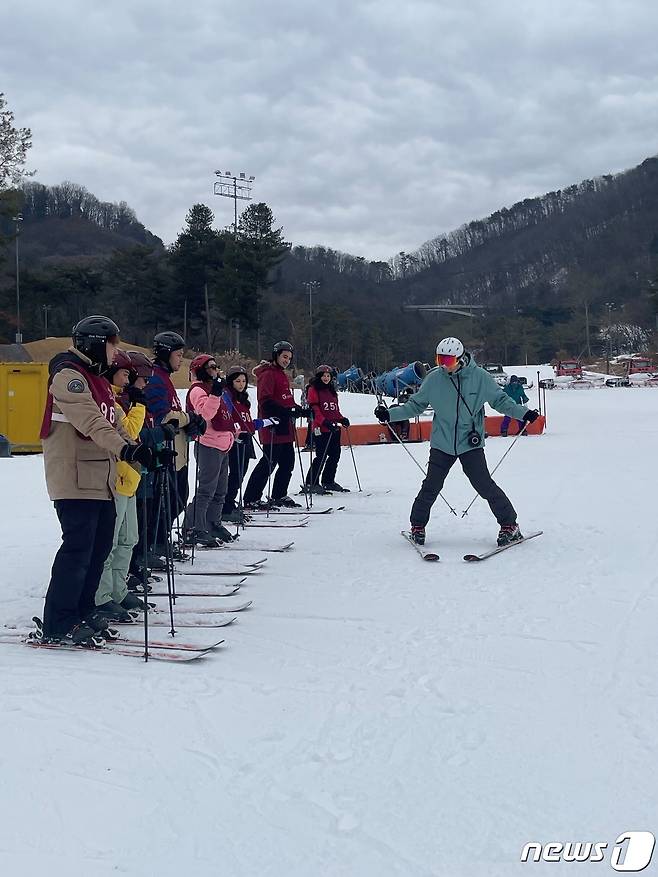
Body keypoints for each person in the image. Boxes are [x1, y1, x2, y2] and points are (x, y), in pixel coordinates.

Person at [39, 316, 152, 645]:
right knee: (77, 550)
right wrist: (124, 450)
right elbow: (89, 420)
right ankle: (59, 621)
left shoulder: (98, 379)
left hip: (100, 480)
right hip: (74, 477)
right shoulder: (68, 375)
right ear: (93, 343)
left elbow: (114, 421)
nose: (116, 352)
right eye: (112, 344)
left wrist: (139, 450)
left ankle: (84, 609)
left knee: (100, 548)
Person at [375, 337, 539, 547]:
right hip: (442, 442)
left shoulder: (479, 377)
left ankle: (509, 524)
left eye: (448, 360)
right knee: (431, 485)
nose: (444, 365)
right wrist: (389, 414)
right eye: (439, 359)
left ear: (460, 359)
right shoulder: (434, 379)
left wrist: (523, 413)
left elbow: (501, 401)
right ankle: (417, 525)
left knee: (483, 484)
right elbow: (414, 406)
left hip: (470, 442)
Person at [93, 349, 171, 621]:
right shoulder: (113, 400)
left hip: (131, 479)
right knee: (111, 542)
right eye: (135, 377)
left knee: (128, 540)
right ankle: (102, 595)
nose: (142, 384)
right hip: (116, 479)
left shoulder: (125, 398)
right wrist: (138, 405)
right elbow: (130, 432)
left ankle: (118, 590)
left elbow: (137, 438)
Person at [144, 331, 204, 559]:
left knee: (178, 497)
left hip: (178, 451)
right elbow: (162, 416)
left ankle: (160, 540)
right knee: (167, 501)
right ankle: (155, 543)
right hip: (165, 451)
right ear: (166, 354)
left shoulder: (165, 378)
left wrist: (189, 424)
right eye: (178, 354)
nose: (181, 359)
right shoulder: (155, 378)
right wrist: (189, 418)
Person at [242, 341, 312, 509]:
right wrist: (287, 412)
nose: (287, 360)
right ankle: (251, 497)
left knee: (288, 463)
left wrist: (300, 410)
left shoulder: (282, 374)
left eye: (289, 358)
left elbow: (286, 400)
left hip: (285, 426)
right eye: (284, 357)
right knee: (268, 463)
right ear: (276, 355)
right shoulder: (268, 374)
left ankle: (279, 494)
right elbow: (265, 402)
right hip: (272, 426)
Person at [183, 355, 238, 546]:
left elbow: (222, 415)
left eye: (216, 367)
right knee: (206, 489)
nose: (215, 370)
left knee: (220, 490)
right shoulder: (198, 390)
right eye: (211, 367)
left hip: (222, 444)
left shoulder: (213, 389)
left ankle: (212, 522)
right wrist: (215, 394)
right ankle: (193, 527)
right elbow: (204, 415)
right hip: (208, 444)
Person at [221, 365, 278, 522]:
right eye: (237, 381)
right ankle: (225, 506)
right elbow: (227, 421)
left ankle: (230, 503)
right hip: (234, 442)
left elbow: (249, 424)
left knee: (240, 475)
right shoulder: (227, 397)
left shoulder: (243, 401)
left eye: (244, 381)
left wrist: (267, 421)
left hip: (245, 442)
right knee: (234, 475)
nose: (241, 384)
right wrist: (236, 432)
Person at [304, 364, 350, 493]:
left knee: (335, 456)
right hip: (321, 429)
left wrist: (341, 419)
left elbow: (335, 410)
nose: (326, 378)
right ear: (319, 377)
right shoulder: (314, 389)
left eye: (328, 376)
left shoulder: (331, 391)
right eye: (323, 375)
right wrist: (324, 422)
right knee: (321, 456)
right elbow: (315, 409)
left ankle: (328, 481)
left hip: (333, 428)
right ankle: (311, 482)